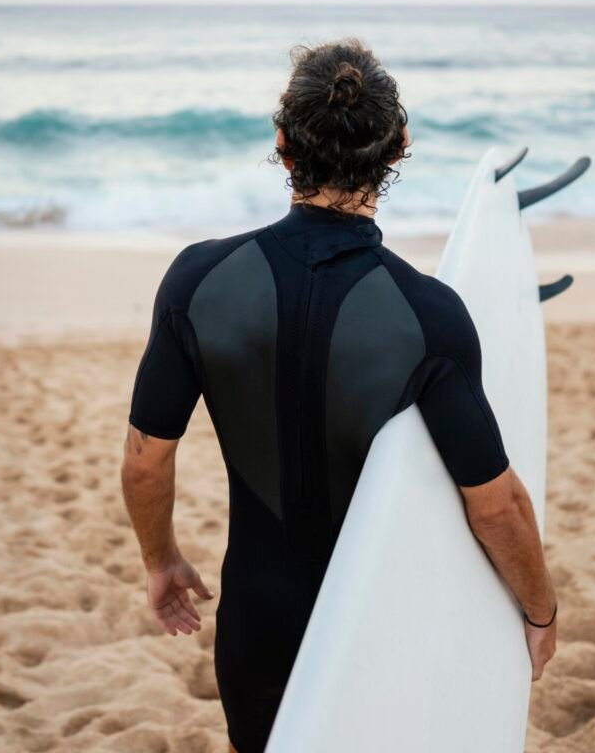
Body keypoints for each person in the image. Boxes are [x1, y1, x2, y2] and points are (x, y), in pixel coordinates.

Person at [121, 39, 557, 753]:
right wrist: (539, 611)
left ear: (283, 143)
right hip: (377, 619)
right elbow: (495, 503)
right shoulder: (429, 316)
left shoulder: (197, 281)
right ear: (398, 145)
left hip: (257, 619)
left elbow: (145, 462)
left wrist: (161, 560)